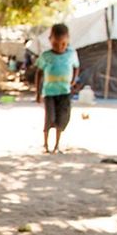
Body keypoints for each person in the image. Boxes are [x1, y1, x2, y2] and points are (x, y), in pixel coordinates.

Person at [35, 23, 80, 154]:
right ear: (50, 40)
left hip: (64, 92)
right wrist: (38, 93)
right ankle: (46, 144)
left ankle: (57, 145)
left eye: (63, 44)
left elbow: (76, 67)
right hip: (49, 92)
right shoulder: (46, 56)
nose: (60, 47)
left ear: (68, 40)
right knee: (50, 117)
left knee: (62, 119)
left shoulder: (71, 54)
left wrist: (73, 81)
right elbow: (39, 73)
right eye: (55, 44)